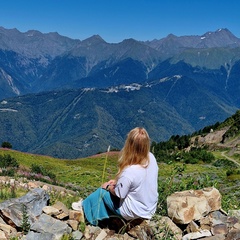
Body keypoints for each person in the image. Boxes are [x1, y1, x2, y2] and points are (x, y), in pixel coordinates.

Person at [72, 127, 159, 226]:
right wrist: (118, 183)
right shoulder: (151, 157)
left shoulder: (130, 171)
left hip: (134, 211)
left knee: (101, 192)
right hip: (150, 208)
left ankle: (84, 209)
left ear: (129, 145)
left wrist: (108, 187)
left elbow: (119, 194)